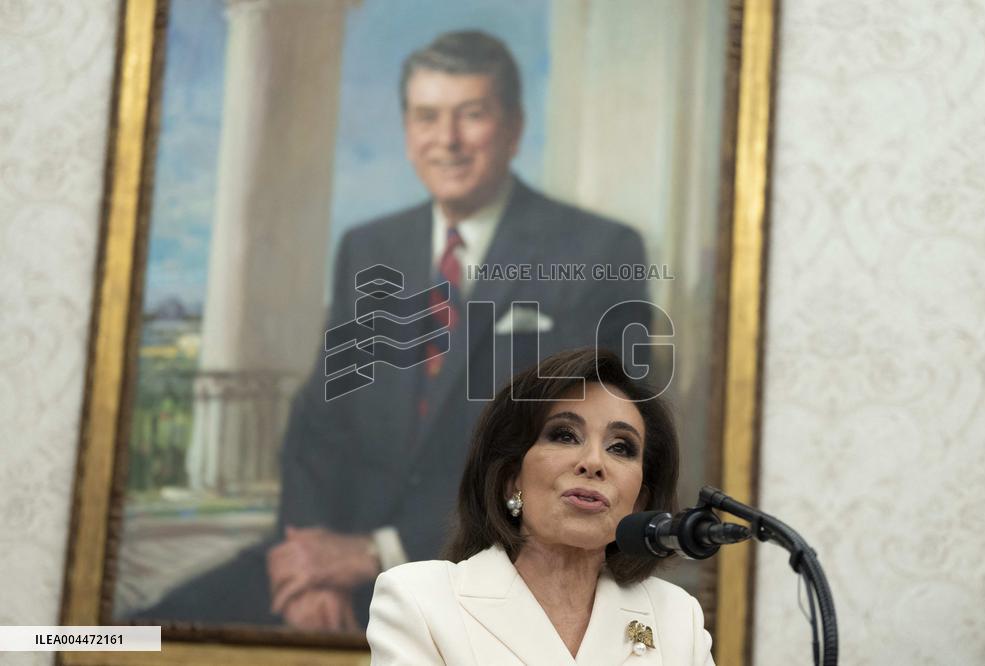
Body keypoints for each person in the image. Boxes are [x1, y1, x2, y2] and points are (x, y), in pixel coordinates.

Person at [137, 30, 650, 630]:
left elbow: (579, 457)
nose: (448, 140)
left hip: (489, 571)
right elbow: (316, 425)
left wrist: (376, 553)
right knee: (130, 634)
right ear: (408, 130)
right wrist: (307, 566)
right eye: (428, 117)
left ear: (512, 128)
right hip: (330, 559)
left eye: (472, 115)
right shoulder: (369, 248)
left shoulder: (598, 250)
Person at [367, 348, 713, 665]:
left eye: (621, 448)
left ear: (640, 500)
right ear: (509, 478)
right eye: (564, 435)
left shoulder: (676, 619)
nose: (593, 462)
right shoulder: (421, 601)